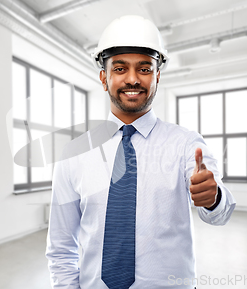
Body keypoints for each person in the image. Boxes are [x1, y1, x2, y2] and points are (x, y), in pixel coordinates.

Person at [46, 15, 236, 289]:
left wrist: (213, 197)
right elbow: (62, 245)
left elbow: (221, 213)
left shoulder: (186, 144)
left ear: (157, 76)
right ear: (104, 77)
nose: (133, 79)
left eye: (145, 69)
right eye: (120, 68)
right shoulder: (74, 154)